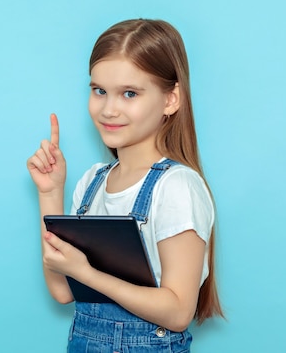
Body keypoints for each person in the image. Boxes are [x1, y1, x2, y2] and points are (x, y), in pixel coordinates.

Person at [27, 19, 223, 352]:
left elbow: (177, 312)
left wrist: (87, 274)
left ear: (171, 100)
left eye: (129, 93)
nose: (108, 109)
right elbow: (62, 291)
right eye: (98, 90)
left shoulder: (176, 187)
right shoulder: (92, 182)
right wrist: (50, 193)